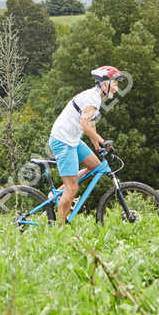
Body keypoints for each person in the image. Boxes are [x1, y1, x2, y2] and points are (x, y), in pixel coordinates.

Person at [49, 65, 123, 223]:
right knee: (73, 188)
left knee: (97, 166)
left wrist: (98, 147)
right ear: (104, 83)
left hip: (73, 139)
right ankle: (59, 230)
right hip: (63, 140)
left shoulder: (97, 98)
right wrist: (103, 141)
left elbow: (91, 124)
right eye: (115, 83)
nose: (116, 88)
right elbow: (84, 125)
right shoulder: (92, 98)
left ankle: (58, 192)